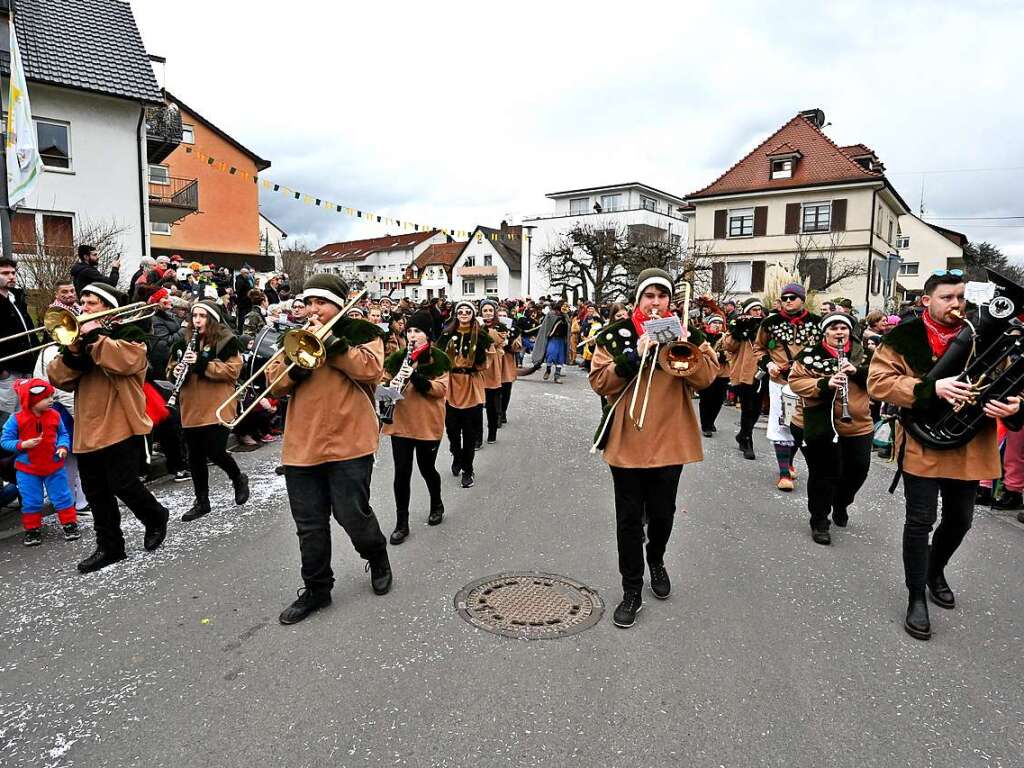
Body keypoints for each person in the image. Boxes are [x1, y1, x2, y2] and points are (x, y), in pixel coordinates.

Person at [868, 270, 1023, 641]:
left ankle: (936, 568)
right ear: (927, 300)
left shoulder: (992, 334)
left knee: (961, 520)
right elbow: (878, 382)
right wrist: (930, 387)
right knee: (920, 521)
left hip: (969, 442)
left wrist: (1014, 408)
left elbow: (1010, 381)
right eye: (947, 298)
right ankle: (916, 594)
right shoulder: (903, 337)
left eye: (961, 298)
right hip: (924, 441)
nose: (956, 305)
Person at [589, 268, 720, 628]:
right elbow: (599, 382)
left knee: (662, 513)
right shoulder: (615, 335)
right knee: (629, 519)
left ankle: (656, 558)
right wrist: (633, 356)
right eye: (649, 296)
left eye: (662, 296)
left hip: (670, 437)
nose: (656, 302)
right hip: (628, 437)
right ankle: (631, 588)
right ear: (638, 300)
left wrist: (686, 348)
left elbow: (708, 378)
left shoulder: (686, 332)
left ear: (670, 301)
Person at [267, 274, 392, 625]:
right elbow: (273, 385)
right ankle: (317, 589)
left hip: (349, 441)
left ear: (338, 304)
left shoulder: (363, 333)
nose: (313, 310)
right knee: (309, 524)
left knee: (352, 514)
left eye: (320, 302)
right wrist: (297, 367)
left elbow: (371, 371)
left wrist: (333, 343)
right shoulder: (294, 337)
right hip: (303, 445)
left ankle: (376, 554)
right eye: (309, 302)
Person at [48, 283, 170, 574]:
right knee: (95, 490)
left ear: (107, 307)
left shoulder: (129, 333)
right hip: (88, 425)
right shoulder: (77, 338)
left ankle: (155, 516)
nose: (84, 308)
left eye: (91, 303)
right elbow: (58, 377)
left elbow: (129, 362)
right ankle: (110, 546)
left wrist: (96, 337)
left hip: (120, 420)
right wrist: (74, 349)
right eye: (83, 302)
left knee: (123, 483)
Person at [788, 313, 874, 545]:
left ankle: (841, 502)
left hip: (856, 423)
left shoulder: (865, 354)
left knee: (858, 469)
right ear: (825, 332)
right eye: (834, 328)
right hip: (817, 423)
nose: (839, 332)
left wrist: (857, 372)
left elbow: (881, 381)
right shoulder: (809, 355)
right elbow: (795, 382)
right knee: (823, 474)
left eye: (843, 328)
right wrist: (824, 384)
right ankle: (819, 520)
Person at [168, 301, 249, 521]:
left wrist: (203, 364)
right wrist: (175, 371)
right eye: (194, 315)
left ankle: (238, 477)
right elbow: (170, 365)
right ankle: (202, 501)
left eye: (202, 316)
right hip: (191, 404)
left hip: (216, 404)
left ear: (211, 319)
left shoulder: (226, 340)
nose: (197, 320)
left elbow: (232, 371)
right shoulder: (183, 339)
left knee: (215, 451)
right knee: (194, 456)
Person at [382, 309, 450, 544]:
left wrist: (416, 377)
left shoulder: (438, 358)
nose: (412, 335)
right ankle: (402, 523)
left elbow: (441, 390)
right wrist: (389, 385)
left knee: (427, 468)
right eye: (409, 330)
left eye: (417, 331)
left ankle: (437, 504)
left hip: (427, 423)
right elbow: (382, 383)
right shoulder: (397, 357)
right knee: (401, 473)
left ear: (428, 335)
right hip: (400, 423)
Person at [753, 283, 821, 491]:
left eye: (793, 297)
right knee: (783, 424)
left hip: (809, 384)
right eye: (785, 298)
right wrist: (770, 364)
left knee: (800, 426)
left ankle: (789, 461)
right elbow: (759, 348)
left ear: (802, 299)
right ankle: (784, 473)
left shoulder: (817, 323)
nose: (789, 301)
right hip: (781, 383)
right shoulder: (770, 322)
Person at [1, 378, 79, 546]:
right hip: (27, 469)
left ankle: (70, 524)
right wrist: (22, 445)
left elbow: (63, 434)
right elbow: (5, 441)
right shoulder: (16, 419)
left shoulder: (55, 415)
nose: (51, 400)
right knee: (31, 500)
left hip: (54, 465)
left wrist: (63, 446)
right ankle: (32, 530)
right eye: (46, 398)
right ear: (31, 400)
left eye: (51, 396)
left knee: (62, 496)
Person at [438, 300, 492, 489]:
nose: (463, 313)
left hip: (470, 384)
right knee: (452, 430)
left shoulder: (481, 335)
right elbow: (437, 356)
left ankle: (468, 470)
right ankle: (456, 455)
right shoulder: (446, 333)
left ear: (472, 313)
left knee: (469, 432)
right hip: (451, 385)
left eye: (467, 310)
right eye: (460, 310)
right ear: (455, 313)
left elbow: (485, 364)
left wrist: (478, 359)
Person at [723, 297, 765, 460]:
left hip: (761, 373)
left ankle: (742, 434)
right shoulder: (737, 324)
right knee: (747, 408)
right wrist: (738, 329)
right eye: (754, 309)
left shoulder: (764, 326)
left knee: (756, 410)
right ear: (747, 311)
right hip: (744, 372)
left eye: (759, 309)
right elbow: (729, 346)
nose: (757, 312)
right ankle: (747, 441)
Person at [0, 259, 40, 415]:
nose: (11, 276)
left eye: (13, 273)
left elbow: (28, 329)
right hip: (7, 370)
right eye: (5, 273)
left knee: (25, 413)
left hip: (25, 366)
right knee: (7, 415)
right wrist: (2, 372)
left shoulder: (15, 298)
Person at [478, 300, 506, 444]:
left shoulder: (500, 326)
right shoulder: (477, 326)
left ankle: (492, 431)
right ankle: (477, 437)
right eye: (485, 311)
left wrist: (482, 331)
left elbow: (496, 340)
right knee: (477, 406)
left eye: (490, 310)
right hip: (479, 366)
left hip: (493, 366)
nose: (488, 313)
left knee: (492, 405)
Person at [699, 314, 730, 437]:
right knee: (706, 399)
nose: (717, 325)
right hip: (706, 371)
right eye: (714, 322)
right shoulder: (703, 337)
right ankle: (705, 425)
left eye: (720, 323)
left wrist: (720, 356)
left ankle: (711, 421)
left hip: (722, 372)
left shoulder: (725, 337)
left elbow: (731, 353)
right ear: (709, 324)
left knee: (719, 399)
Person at [497, 306, 522, 424]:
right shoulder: (492, 328)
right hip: (495, 362)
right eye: (500, 316)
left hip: (507, 361)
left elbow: (518, 347)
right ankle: (496, 414)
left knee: (506, 389)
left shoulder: (514, 330)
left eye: (504, 316)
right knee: (495, 390)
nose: (502, 318)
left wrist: (509, 341)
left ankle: (503, 412)